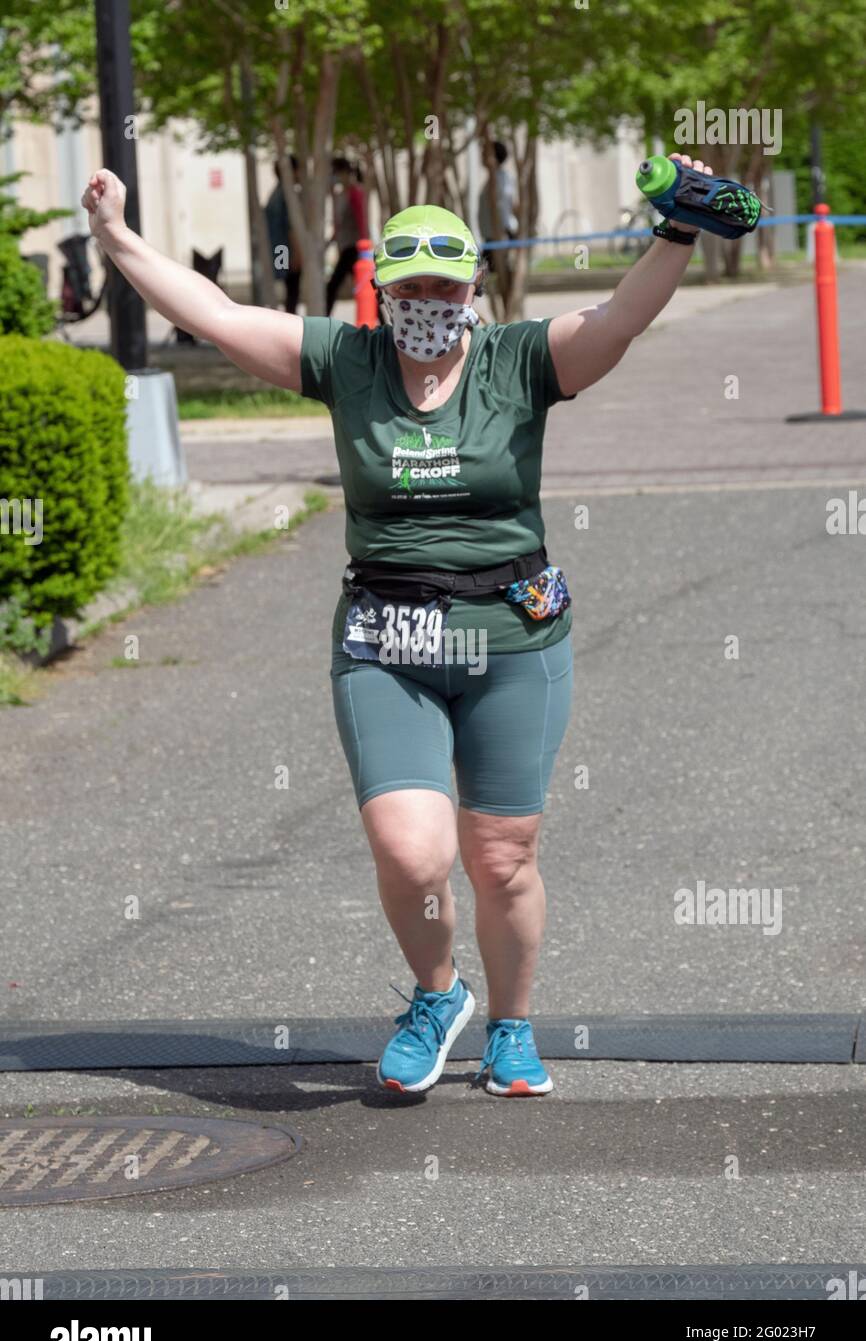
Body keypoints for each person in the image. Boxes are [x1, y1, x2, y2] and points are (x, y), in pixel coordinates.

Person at [81, 155, 712, 1098]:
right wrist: (119, 238)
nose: (426, 302)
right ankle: (434, 994)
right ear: (381, 292)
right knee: (411, 850)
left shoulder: (520, 360)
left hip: (510, 635)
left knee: (502, 857)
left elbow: (620, 316)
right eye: (407, 287)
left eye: (443, 287)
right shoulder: (348, 361)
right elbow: (215, 313)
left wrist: (679, 228)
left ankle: (512, 1026)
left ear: (472, 290)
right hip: (389, 638)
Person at [325, 157, 368, 316]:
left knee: (333, 286)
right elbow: (338, 224)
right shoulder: (340, 195)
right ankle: (382, 317)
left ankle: (323, 317)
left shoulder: (354, 193)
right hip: (345, 246)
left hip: (353, 247)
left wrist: (365, 244)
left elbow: (361, 219)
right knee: (365, 285)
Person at [264, 156, 302, 314]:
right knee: (291, 287)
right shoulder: (287, 196)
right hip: (286, 249)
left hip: (279, 249)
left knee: (286, 287)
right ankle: (289, 322)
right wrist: (296, 253)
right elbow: (290, 228)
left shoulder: (275, 194)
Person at [478, 139, 518, 272]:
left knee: (486, 272)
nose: (481, 156)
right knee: (488, 272)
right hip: (492, 234)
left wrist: (504, 231)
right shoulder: (494, 178)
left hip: (500, 234)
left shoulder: (502, 179)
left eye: (484, 153)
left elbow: (504, 206)